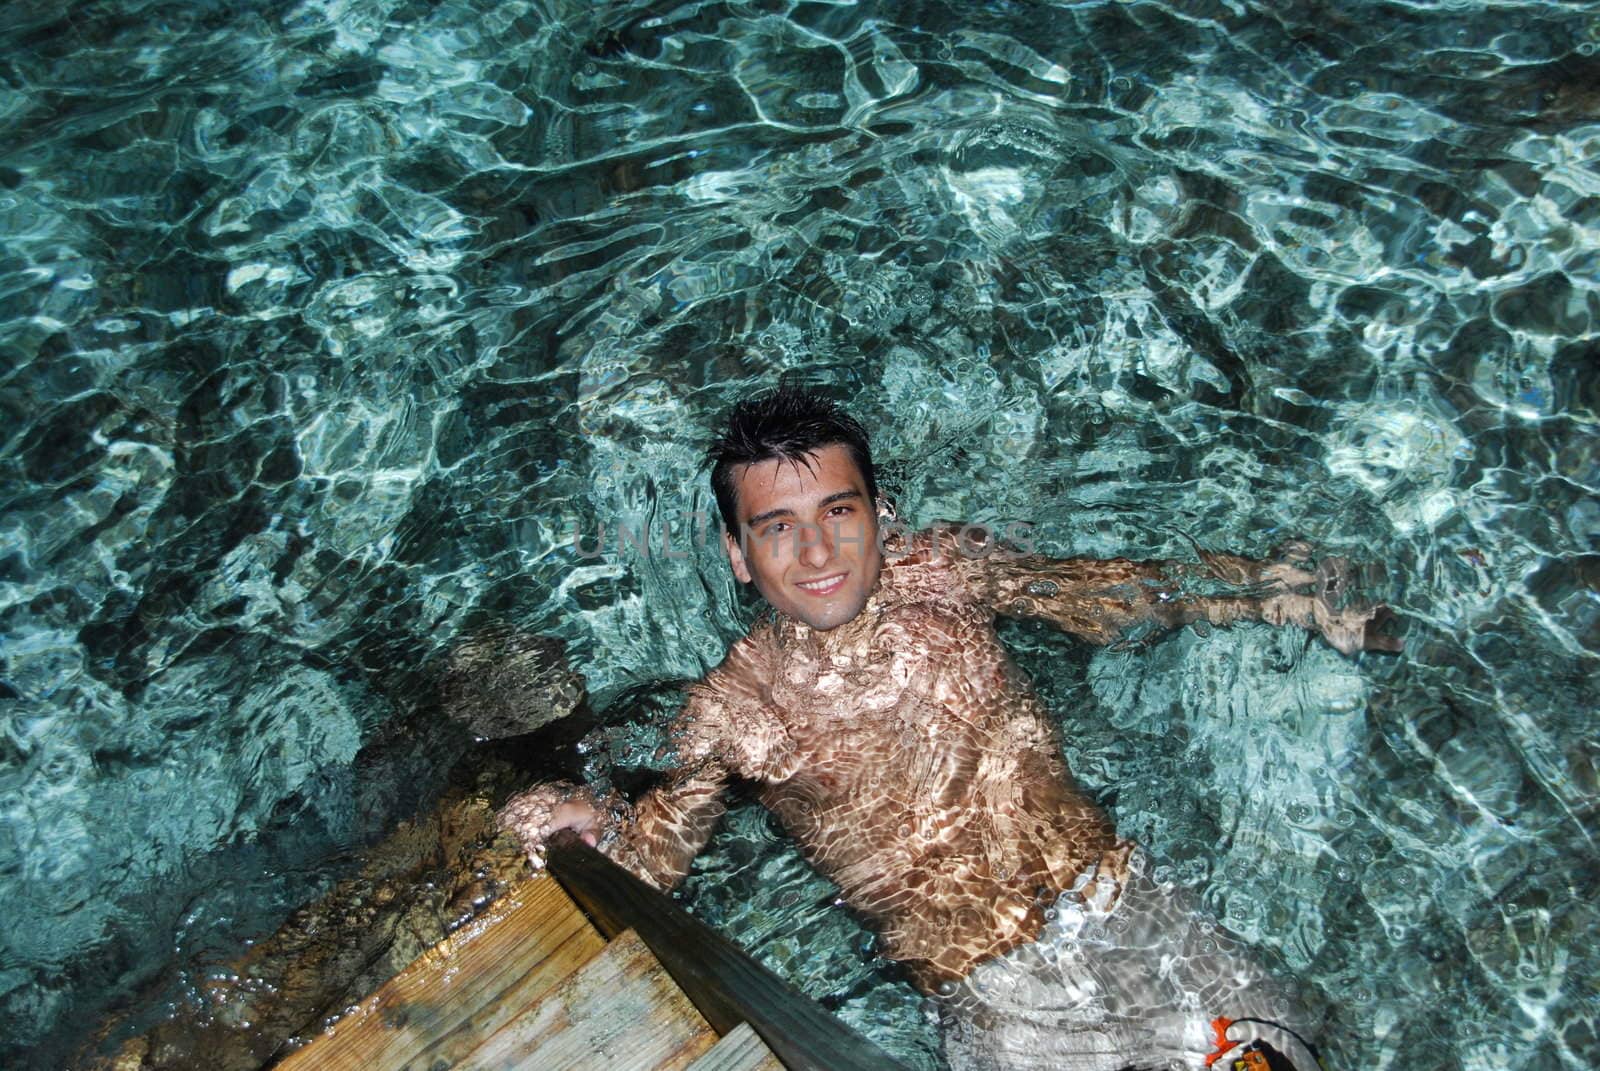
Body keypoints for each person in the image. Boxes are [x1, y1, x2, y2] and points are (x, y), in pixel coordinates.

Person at [498, 385, 1398, 1070]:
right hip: (1001, 1001)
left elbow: (1109, 595)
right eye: (777, 528)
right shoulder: (734, 713)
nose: (815, 552)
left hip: (1131, 907)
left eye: (837, 512)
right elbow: (656, 851)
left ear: (881, 517)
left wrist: (1266, 593)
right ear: (738, 556)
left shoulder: (948, 576)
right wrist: (587, 828)